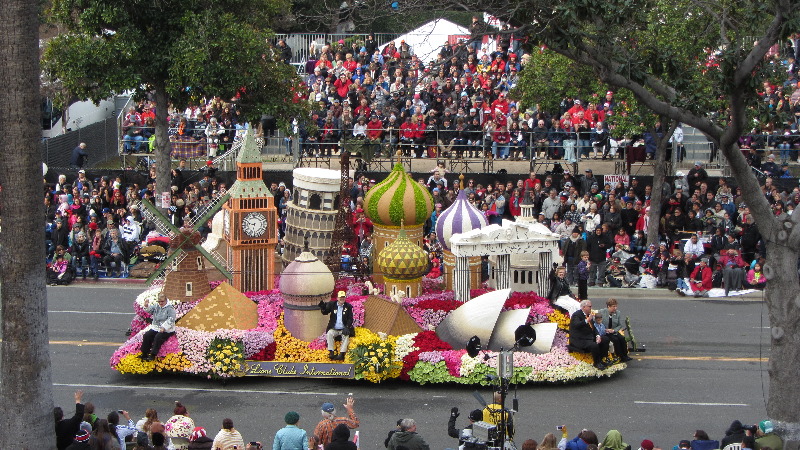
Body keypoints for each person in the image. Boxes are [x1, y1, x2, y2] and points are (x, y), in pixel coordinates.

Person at [569, 300, 610, 370]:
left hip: (589, 337)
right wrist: (587, 320)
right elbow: (576, 325)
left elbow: (594, 328)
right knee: (594, 345)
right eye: (590, 306)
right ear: (584, 307)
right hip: (580, 339)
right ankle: (597, 363)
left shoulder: (588, 316)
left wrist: (597, 336)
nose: (591, 308)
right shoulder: (577, 315)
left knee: (605, 339)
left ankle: (602, 359)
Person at [139, 293, 176, 361]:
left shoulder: (170, 308)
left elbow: (171, 319)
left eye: (162, 301)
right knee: (147, 335)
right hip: (156, 327)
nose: (161, 303)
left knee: (158, 337)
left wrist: (164, 327)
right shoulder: (157, 306)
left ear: (166, 301)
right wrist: (146, 306)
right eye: (159, 301)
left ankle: (153, 355)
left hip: (167, 329)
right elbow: (150, 310)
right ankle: (144, 353)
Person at [319, 291, 355, 360]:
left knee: (346, 336)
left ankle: (342, 354)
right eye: (340, 297)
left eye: (343, 297)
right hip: (334, 328)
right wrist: (323, 308)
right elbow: (325, 312)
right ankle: (331, 352)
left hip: (343, 328)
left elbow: (350, 319)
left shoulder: (348, 306)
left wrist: (347, 327)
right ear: (337, 298)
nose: (342, 298)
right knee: (330, 333)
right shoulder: (333, 304)